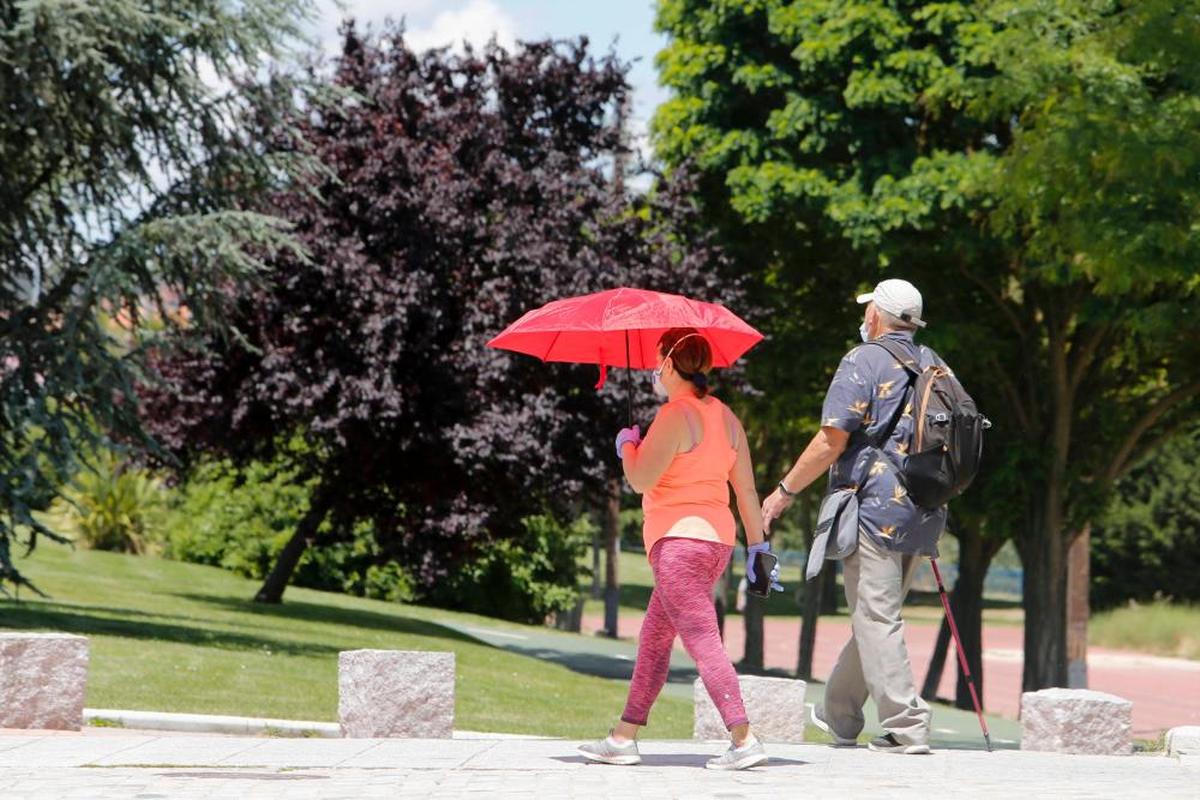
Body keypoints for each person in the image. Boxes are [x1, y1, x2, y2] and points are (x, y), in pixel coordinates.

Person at [578, 327, 781, 771]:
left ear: (669, 364)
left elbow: (640, 479)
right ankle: (623, 737)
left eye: (657, 360)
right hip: (715, 544)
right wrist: (758, 548)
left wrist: (627, 445)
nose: (654, 369)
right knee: (654, 640)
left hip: (677, 544)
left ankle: (743, 738)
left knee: (702, 639)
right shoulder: (727, 418)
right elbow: (746, 492)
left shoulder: (673, 416)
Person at [761, 278, 947, 755]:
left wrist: (783, 492)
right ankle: (840, 715)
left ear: (875, 316)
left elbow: (831, 440)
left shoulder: (861, 360)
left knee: (878, 616)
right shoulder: (935, 364)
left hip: (873, 510)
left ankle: (907, 725)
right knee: (875, 614)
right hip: (924, 509)